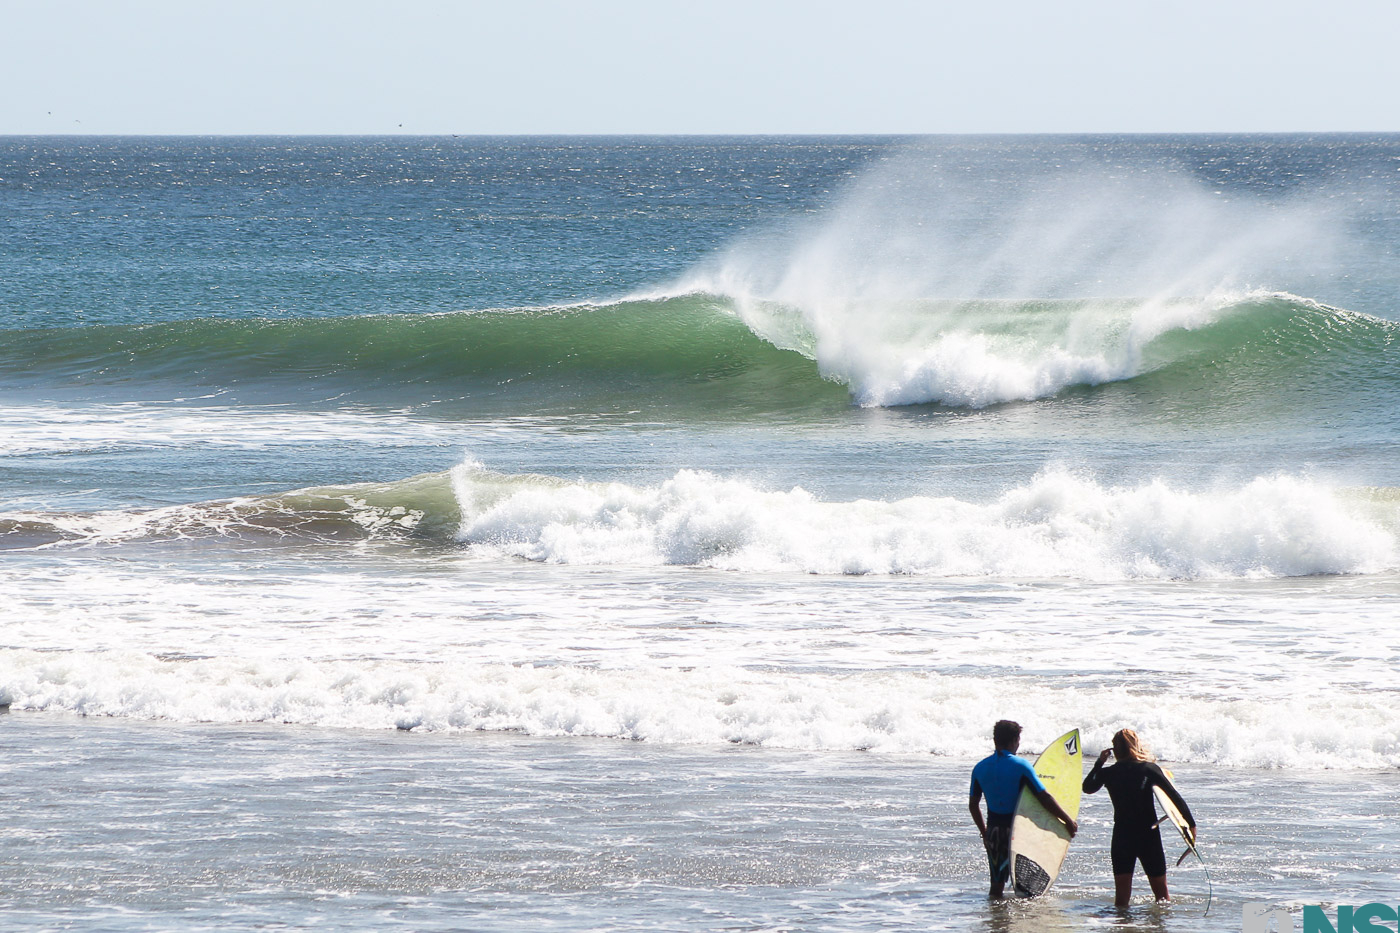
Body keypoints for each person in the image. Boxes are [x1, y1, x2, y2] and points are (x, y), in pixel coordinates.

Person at [1082, 728, 1197, 907]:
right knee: (1162, 896)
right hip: (1148, 836)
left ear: (1115, 750)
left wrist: (1099, 763)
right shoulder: (1149, 769)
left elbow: (1087, 787)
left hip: (1122, 837)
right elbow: (1174, 797)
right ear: (1135, 745)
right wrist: (1191, 826)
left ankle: (1122, 926)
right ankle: (1159, 926)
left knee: (1121, 899)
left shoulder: (1108, 773)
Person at [968, 720, 1079, 898]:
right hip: (1019, 831)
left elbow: (973, 805)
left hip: (995, 831)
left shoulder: (980, 768)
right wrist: (1066, 820)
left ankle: (995, 921)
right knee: (1028, 887)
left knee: (996, 885)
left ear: (995, 739)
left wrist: (985, 832)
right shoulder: (1021, 766)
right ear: (1014, 740)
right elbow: (1044, 797)